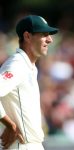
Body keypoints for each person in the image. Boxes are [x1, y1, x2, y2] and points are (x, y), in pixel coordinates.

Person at [0, 15, 58, 150]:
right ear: (27, 36)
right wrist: (10, 125)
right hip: (22, 145)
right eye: (44, 34)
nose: (49, 39)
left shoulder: (29, 66)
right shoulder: (17, 64)